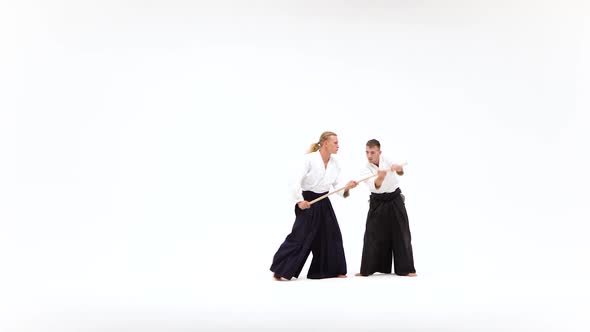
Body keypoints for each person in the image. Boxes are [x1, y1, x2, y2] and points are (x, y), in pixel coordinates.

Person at [270, 131, 358, 281]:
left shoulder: (334, 163)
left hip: (324, 202)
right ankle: (281, 270)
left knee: (332, 235)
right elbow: (294, 181)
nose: (338, 146)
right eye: (335, 142)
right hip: (308, 202)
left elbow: (337, 185)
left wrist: (348, 187)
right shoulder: (309, 160)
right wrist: (299, 201)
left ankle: (332, 269)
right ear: (325, 143)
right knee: (300, 236)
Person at [356, 139, 417, 277]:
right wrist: (380, 178)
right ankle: (367, 269)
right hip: (378, 201)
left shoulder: (386, 159)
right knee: (372, 234)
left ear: (379, 152)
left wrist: (398, 168)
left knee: (402, 233)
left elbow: (400, 172)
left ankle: (406, 268)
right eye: (367, 152)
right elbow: (375, 186)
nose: (369, 155)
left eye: (372, 152)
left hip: (395, 199)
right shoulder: (365, 169)